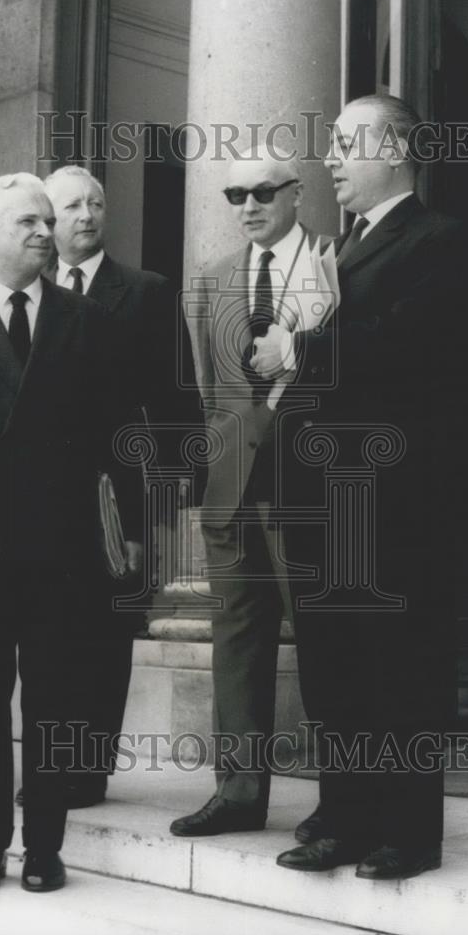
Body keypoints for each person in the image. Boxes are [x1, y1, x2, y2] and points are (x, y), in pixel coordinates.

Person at [0, 173, 143, 893]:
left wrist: (127, 529)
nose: (46, 232)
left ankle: (44, 848)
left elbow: (117, 434)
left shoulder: (85, 318)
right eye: (28, 223)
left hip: (62, 545)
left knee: (53, 696)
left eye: (49, 220)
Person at [270, 94, 468, 879]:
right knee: (334, 666)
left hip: (392, 501)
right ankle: (346, 818)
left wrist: (305, 337)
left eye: (346, 143)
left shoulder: (439, 241)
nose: (330, 159)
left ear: (393, 150)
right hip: (325, 497)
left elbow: (403, 355)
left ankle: (409, 831)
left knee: (398, 663)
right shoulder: (341, 248)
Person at [35, 164, 203, 809]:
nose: (87, 214)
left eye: (96, 203)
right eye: (72, 205)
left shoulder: (145, 291)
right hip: (46, 498)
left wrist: (174, 487)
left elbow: (178, 397)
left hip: (121, 496)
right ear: (50, 219)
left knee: (105, 634)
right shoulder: (32, 292)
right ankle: (54, 764)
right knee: (52, 634)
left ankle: (89, 771)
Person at [173, 152, 330, 837]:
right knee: (237, 636)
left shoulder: (332, 263)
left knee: (328, 640)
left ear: (295, 193)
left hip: (310, 484)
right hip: (233, 488)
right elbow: (210, 392)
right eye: (235, 194)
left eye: (262, 191)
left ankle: (342, 797)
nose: (248, 205)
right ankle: (238, 794)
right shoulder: (210, 279)